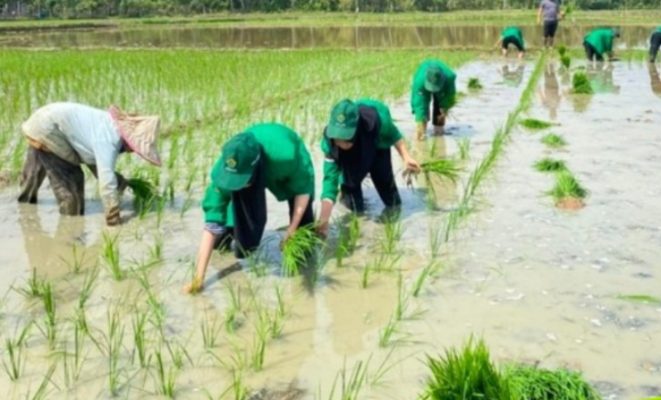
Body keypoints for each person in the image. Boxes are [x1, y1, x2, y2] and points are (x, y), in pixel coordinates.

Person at [183, 123, 315, 294]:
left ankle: (306, 268)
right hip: (247, 162)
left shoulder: (286, 156)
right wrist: (198, 278)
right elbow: (211, 225)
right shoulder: (225, 169)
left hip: (284, 157)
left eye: (240, 181)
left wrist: (292, 228)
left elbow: (303, 189)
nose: (235, 185)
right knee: (221, 239)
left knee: (303, 236)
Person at [17, 102, 161, 226]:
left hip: (41, 120)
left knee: (33, 174)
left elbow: (92, 159)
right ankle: (70, 232)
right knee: (72, 183)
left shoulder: (109, 124)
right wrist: (113, 217)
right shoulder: (109, 141)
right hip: (49, 130)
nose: (132, 152)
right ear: (131, 142)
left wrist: (120, 182)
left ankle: (24, 210)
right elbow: (106, 181)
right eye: (135, 149)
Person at [316, 99, 420, 238]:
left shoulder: (375, 122)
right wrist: (324, 220)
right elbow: (330, 181)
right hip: (351, 158)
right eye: (337, 138)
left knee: (391, 199)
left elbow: (394, 135)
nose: (341, 144)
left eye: (346, 139)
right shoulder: (329, 143)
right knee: (355, 208)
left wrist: (406, 157)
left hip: (376, 146)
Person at [411, 59, 457, 141]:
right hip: (423, 86)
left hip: (442, 88)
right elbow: (419, 104)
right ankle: (422, 131)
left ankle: (439, 133)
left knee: (440, 111)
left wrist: (445, 107)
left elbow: (450, 95)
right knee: (421, 118)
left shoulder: (449, 77)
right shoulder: (419, 81)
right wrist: (420, 122)